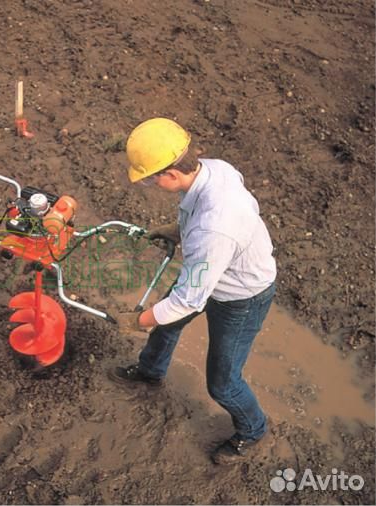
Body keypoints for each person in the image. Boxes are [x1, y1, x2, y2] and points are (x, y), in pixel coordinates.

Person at [112, 118, 277, 465]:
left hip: (240, 296)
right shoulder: (215, 170)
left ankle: (253, 430)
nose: (152, 184)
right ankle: (150, 371)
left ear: (170, 174)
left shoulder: (213, 228)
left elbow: (189, 299)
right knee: (167, 323)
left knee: (223, 382)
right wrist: (176, 230)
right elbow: (203, 235)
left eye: (152, 177)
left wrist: (137, 320)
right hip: (210, 270)